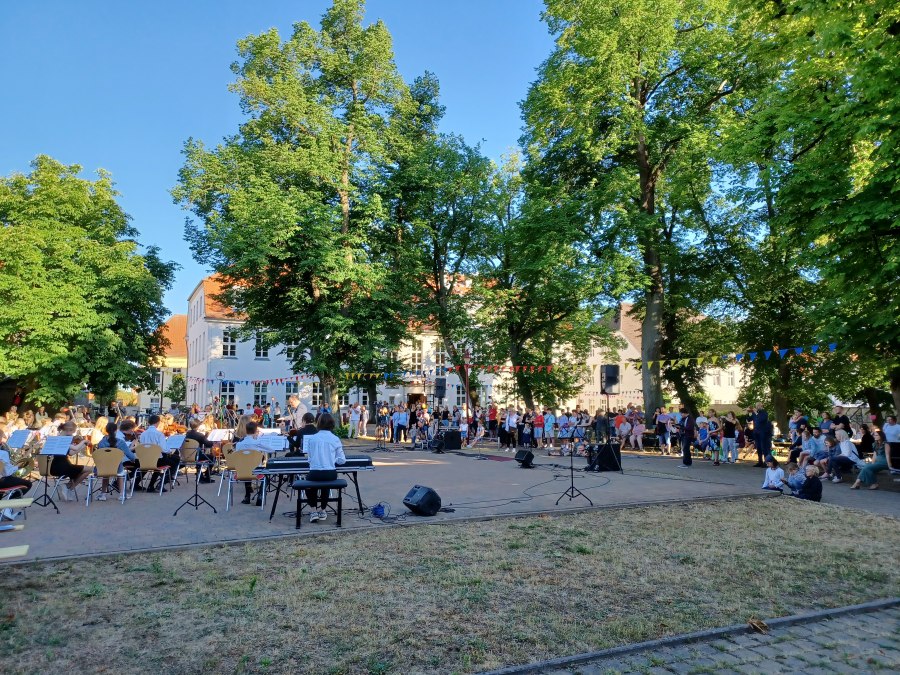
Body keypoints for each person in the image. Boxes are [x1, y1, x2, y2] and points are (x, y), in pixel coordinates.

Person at [302, 414, 346, 523]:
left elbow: (309, 459)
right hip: (330, 473)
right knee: (326, 485)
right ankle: (323, 510)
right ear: (332, 424)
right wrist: (332, 460)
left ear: (318, 423)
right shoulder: (335, 439)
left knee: (309, 485)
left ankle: (313, 511)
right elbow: (342, 460)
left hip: (314, 473)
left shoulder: (312, 439)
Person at [51, 422, 92, 501]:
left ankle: (68, 487)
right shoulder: (62, 439)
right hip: (62, 467)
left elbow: (71, 453)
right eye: (73, 432)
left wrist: (84, 445)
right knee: (90, 469)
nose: (72, 434)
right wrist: (83, 441)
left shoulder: (59, 437)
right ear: (69, 430)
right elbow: (75, 448)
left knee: (83, 470)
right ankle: (69, 487)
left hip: (56, 466)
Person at [94, 421, 135, 500]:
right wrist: (133, 459)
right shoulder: (121, 442)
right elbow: (131, 456)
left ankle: (103, 494)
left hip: (102, 468)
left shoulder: (101, 443)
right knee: (120, 471)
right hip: (117, 468)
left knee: (106, 473)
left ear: (106, 430)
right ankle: (121, 494)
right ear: (116, 430)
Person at [139, 414, 179, 493]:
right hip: (158, 460)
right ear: (158, 422)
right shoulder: (159, 434)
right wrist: (170, 451)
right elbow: (163, 449)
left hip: (145, 459)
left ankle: (151, 485)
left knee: (161, 462)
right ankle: (162, 482)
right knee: (176, 460)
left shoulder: (143, 434)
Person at [185, 418, 216, 482]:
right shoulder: (199, 435)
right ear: (198, 426)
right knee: (212, 457)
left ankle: (200, 474)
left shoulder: (186, 434)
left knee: (199, 455)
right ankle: (207, 475)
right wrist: (212, 440)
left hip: (186, 456)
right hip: (197, 456)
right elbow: (208, 444)